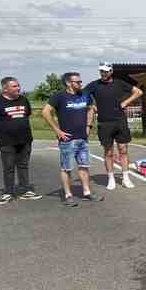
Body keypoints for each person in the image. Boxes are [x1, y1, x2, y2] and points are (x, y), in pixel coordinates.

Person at [42, 72, 104, 207]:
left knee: (84, 166)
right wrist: (57, 130)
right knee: (67, 168)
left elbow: (90, 109)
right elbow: (45, 112)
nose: (80, 84)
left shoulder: (84, 95)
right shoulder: (59, 96)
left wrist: (89, 125)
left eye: (80, 81)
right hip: (67, 140)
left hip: (82, 138)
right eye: (77, 82)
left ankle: (87, 193)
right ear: (68, 83)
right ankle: (68, 195)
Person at [0, 77, 42, 204]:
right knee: (9, 167)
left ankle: (26, 191)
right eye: (14, 86)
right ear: (5, 89)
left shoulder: (23, 100)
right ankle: (8, 192)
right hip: (5, 141)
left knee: (23, 165)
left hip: (25, 139)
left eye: (18, 85)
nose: (18, 88)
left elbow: (26, 115)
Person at [84, 63, 143, 191]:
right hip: (104, 123)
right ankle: (111, 179)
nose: (103, 74)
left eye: (105, 71)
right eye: (101, 71)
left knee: (123, 150)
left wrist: (126, 102)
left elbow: (138, 92)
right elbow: (82, 94)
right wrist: (91, 104)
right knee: (108, 152)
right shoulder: (94, 85)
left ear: (111, 72)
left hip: (120, 121)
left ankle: (126, 177)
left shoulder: (119, 83)